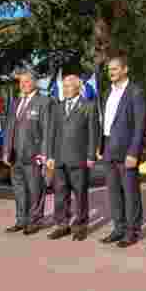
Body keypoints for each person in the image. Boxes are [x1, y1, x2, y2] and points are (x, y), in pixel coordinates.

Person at [45, 64, 100, 241]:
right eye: (64, 86)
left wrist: (91, 156)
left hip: (79, 158)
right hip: (59, 159)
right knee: (60, 194)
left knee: (80, 193)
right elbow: (52, 133)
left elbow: (93, 133)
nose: (66, 89)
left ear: (77, 88)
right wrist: (50, 156)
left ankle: (81, 226)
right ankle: (62, 224)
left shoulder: (88, 106)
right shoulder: (58, 107)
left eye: (69, 86)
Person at [99, 54, 146, 248]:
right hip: (109, 148)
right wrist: (100, 147)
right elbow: (105, 122)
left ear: (125, 70)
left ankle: (132, 231)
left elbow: (139, 125)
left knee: (130, 192)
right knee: (114, 193)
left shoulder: (135, 92)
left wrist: (134, 152)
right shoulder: (107, 92)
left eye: (115, 69)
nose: (111, 72)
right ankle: (118, 228)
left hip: (127, 150)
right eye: (109, 70)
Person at [3, 69, 51, 236]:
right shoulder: (15, 102)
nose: (23, 85)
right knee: (19, 189)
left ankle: (34, 221)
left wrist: (44, 154)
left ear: (35, 83)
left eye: (27, 82)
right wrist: (6, 151)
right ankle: (21, 220)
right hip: (15, 155)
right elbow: (9, 128)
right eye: (21, 82)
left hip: (34, 154)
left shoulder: (44, 102)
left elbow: (47, 130)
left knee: (35, 189)